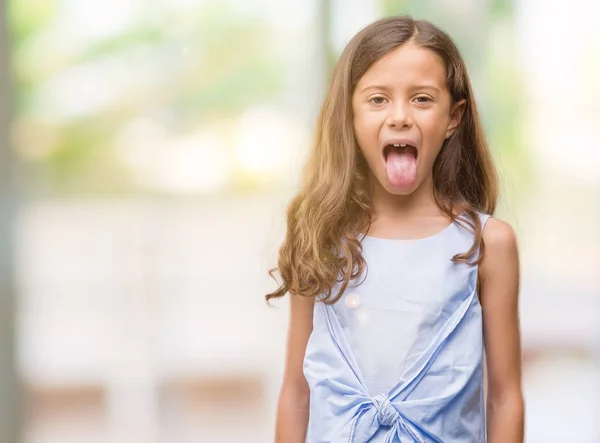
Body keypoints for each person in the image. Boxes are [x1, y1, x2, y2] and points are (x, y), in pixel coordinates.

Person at [267, 15, 524, 443]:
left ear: (453, 118)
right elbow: (296, 393)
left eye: (422, 99)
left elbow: (505, 397)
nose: (400, 117)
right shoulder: (318, 235)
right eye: (377, 99)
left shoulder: (489, 244)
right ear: (349, 113)